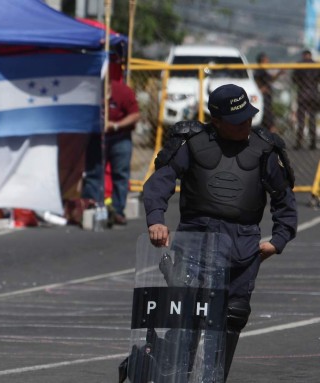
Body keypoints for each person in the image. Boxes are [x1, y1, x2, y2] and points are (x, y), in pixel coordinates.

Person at [143, 84, 297, 380]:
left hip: (242, 247)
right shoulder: (192, 144)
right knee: (187, 315)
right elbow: (159, 183)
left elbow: (284, 201)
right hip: (194, 243)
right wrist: (156, 220)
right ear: (216, 120)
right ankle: (178, 375)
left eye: (248, 118)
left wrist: (277, 242)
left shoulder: (263, 150)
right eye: (237, 120)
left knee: (233, 315)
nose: (246, 125)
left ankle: (215, 377)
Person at [82, 77, 141, 225]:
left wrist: (115, 125)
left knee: (120, 174)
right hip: (98, 137)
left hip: (120, 137)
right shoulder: (90, 92)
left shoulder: (122, 91)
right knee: (94, 173)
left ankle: (118, 210)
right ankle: (94, 208)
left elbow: (135, 114)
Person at [292, 49, 320, 150]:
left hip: (302, 94)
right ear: (310, 55)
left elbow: (294, 80)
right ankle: (313, 142)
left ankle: (299, 142)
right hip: (313, 94)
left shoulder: (299, 65)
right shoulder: (316, 65)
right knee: (312, 118)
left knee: (301, 119)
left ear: (303, 55)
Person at [254, 52, 284, 133]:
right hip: (264, 97)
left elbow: (270, 79)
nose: (268, 60)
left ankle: (269, 130)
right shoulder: (259, 70)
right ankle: (271, 131)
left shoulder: (263, 70)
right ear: (262, 60)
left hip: (267, 96)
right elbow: (256, 80)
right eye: (266, 59)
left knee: (268, 114)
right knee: (267, 115)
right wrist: (260, 89)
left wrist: (279, 73)